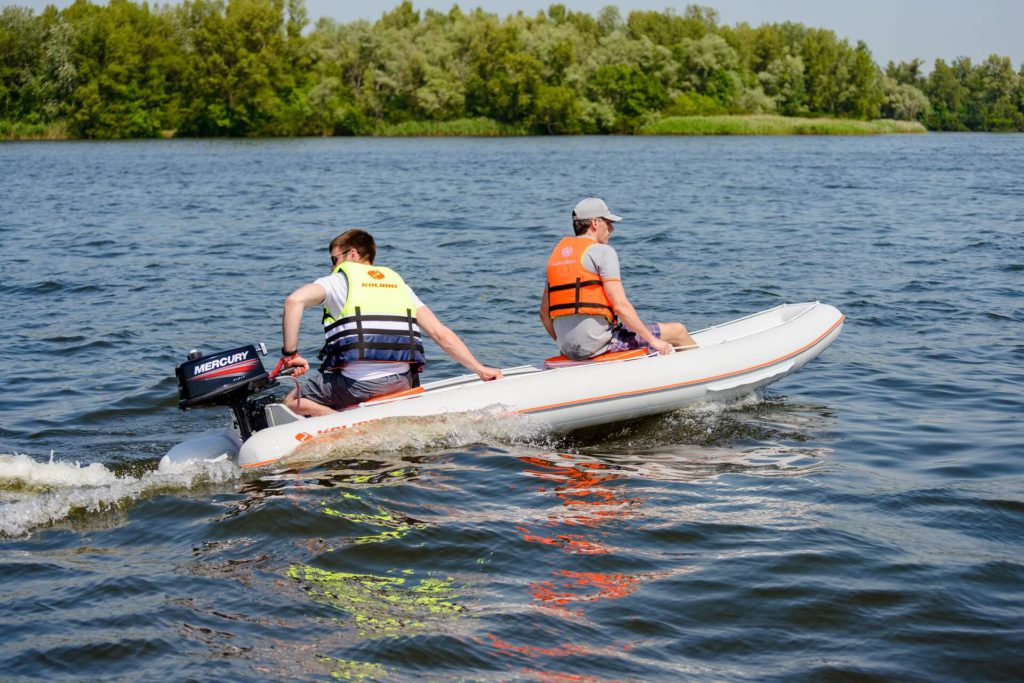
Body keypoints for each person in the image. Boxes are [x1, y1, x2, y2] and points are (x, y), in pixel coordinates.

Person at [279, 229, 502, 416]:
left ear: (353, 255)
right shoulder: (399, 286)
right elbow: (440, 334)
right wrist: (480, 370)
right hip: (402, 383)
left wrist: (291, 355)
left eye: (334, 259)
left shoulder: (337, 282)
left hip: (356, 386)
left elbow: (293, 301)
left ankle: (341, 424)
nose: (332, 267)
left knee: (291, 400)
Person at [539, 197, 697, 360]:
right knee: (678, 331)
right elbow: (620, 307)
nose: (612, 229)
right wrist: (654, 341)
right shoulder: (603, 252)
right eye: (608, 223)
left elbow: (544, 314)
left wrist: (564, 345)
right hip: (601, 344)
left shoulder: (555, 259)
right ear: (594, 223)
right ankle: (700, 369)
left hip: (568, 349)